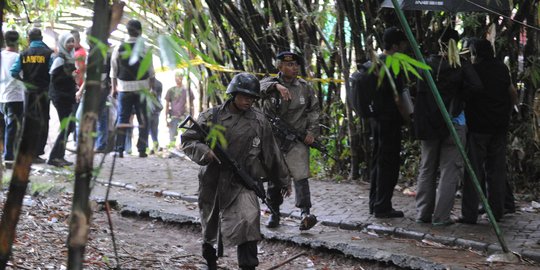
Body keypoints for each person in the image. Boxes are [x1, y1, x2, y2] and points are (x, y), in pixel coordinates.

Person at [181, 73, 290, 270]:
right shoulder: (212, 116)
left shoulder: (259, 121)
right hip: (213, 179)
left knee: (249, 220)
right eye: (244, 96)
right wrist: (205, 152)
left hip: (243, 180)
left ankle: (248, 265)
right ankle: (210, 260)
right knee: (210, 224)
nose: (248, 101)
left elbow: (271, 152)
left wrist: (283, 180)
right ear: (234, 94)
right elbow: (188, 139)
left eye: (252, 98)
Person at [413, 29, 482, 226]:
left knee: (427, 167)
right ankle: (441, 217)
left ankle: (423, 213)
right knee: (449, 170)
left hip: (430, 124)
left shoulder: (426, 63)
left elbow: (419, 94)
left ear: (438, 42)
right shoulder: (461, 64)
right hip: (455, 122)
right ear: (458, 44)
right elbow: (477, 86)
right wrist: (460, 99)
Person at [459, 39, 518, 224]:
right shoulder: (501, 68)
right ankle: (496, 211)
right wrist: (509, 111)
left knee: (473, 171)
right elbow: (512, 93)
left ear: (475, 53)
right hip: (499, 126)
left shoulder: (473, 71)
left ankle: (469, 215)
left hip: (478, 127)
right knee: (496, 170)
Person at [260, 51, 320, 230]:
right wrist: (276, 87)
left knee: (301, 176)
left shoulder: (304, 87)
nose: (294, 68)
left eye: (296, 65)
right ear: (279, 67)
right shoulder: (269, 83)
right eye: (289, 65)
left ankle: (305, 213)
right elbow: (255, 88)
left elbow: (314, 110)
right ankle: (274, 212)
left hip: (297, 138)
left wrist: (311, 132)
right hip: (274, 140)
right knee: (275, 177)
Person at [368, 27, 409, 218]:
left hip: (376, 120)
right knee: (389, 164)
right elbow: (398, 98)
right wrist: (408, 118)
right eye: (403, 43)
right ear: (395, 45)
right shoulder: (393, 64)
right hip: (389, 121)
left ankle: (374, 203)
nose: (405, 46)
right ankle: (382, 206)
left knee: (377, 161)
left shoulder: (375, 62)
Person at [110, 19, 155, 158]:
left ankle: (119, 149)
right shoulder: (146, 48)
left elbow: (114, 70)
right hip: (142, 88)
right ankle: (142, 149)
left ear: (127, 31)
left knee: (122, 118)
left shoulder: (119, 47)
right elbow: (151, 71)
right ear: (140, 31)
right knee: (143, 119)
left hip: (124, 88)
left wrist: (114, 88)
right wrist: (151, 88)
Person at [10, 28, 54, 164]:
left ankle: (27, 152)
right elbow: (53, 72)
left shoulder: (24, 53)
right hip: (44, 92)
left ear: (29, 38)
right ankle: (38, 151)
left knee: (29, 121)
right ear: (41, 38)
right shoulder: (48, 53)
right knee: (43, 120)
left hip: (29, 92)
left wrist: (25, 82)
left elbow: (14, 72)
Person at [47, 32, 77, 167]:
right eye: (68, 42)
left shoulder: (69, 57)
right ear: (62, 43)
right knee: (67, 126)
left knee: (68, 126)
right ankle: (54, 157)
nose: (71, 44)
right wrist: (69, 77)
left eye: (72, 41)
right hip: (61, 97)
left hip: (67, 96)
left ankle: (59, 156)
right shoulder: (60, 59)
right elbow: (54, 79)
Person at [0, 30, 25, 168]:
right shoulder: (19, 57)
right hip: (15, 97)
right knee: (12, 128)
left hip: (1, 97)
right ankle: (9, 158)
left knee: (5, 127)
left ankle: (6, 154)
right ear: (17, 41)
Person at [165, 72, 193, 147]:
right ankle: (172, 150)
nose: (177, 79)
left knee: (186, 136)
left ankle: (185, 149)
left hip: (184, 116)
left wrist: (192, 118)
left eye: (179, 77)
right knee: (172, 137)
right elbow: (167, 105)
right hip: (173, 116)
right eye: (176, 77)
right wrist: (166, 119)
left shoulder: (187, 90)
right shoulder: (171, 90)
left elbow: (191, 105)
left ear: (182, 78)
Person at [148, 79, 162, 153]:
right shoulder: (159, 83)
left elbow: (158, 96)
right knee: (154, 130)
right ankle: (154, 146)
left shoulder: (158, 84)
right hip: (154, 111)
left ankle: (152, 147)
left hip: (152, 111)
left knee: (151, 130)